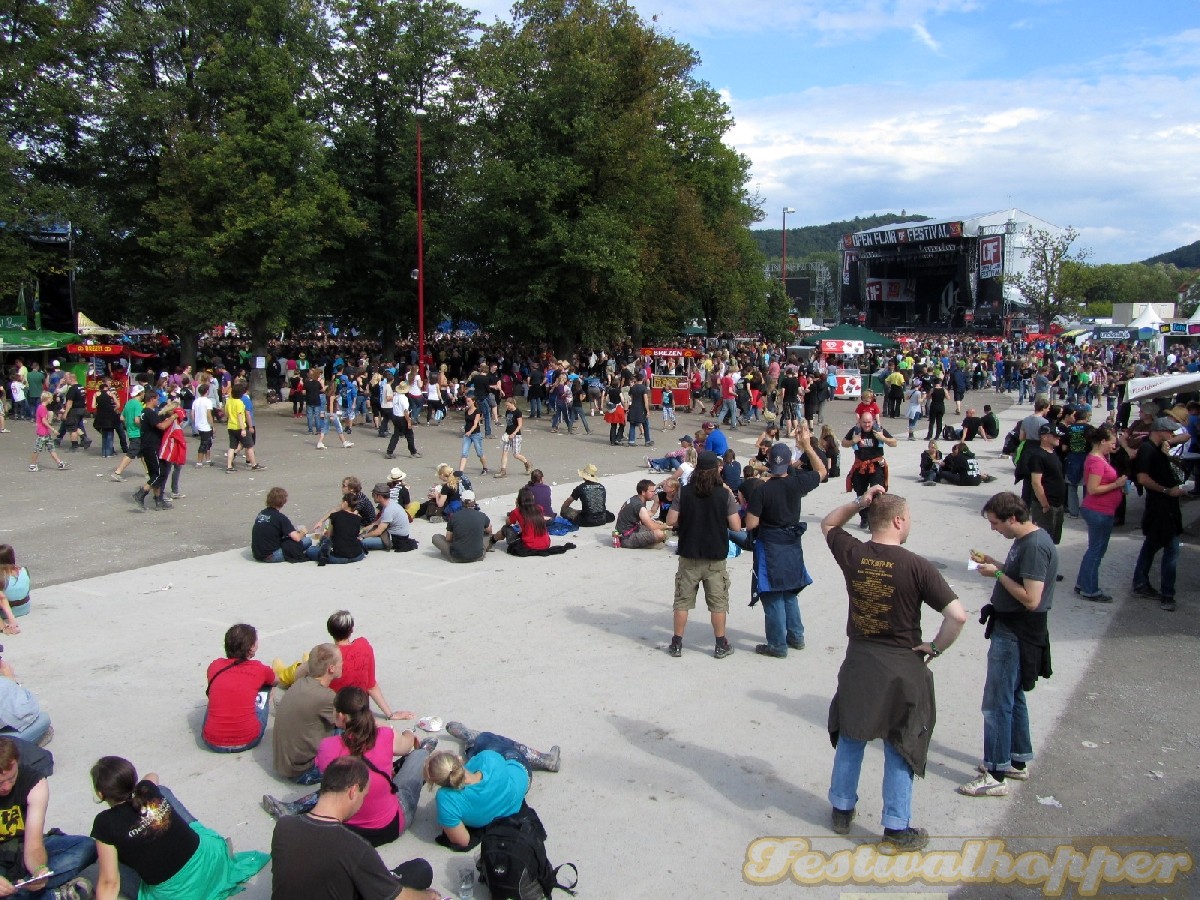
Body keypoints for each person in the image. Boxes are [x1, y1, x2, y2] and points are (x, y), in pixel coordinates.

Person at [820, 486, 967, 851]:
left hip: (860, 658)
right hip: (902, 663)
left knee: (852, 733)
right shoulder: (916, 565)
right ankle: (896, 826)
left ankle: (841, 808)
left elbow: (828, 523)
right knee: (900, 742)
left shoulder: (854, 553)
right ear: (899, 520)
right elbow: (957, 616)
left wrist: (859, 503)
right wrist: (935, 646)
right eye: (909, 518)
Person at [960, 492, 1056, 797]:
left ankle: (996, 772)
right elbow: (1020, 577)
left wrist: (998, 574)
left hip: (1016, 632)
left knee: (996, 702)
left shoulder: (1035, 546)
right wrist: (993, 564)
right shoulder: (1025, 542)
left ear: (1012, 518)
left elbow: (1031, 598)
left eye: (996, 522)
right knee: (1013, 696)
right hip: (1012, 628)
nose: (994, 528)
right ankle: (1016, 759)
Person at [262, 687, 432, 843]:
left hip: (347, 829)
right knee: (417, 757)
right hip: (389, 826)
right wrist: (410, 733)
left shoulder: (327, 747)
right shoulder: (385, 735)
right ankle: (426, 749)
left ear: (341, 717)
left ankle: (296, 807)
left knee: (337, 783)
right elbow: (405, 745)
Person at [90, 756, 268, 900]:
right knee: (162, 791)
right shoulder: (146, 790)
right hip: (211, 860)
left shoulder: (105, 824)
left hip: (178, 894)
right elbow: (153, 775)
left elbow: (110, 883)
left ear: (101, 794)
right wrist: (141, 789)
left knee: (102, 857)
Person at [270, 757, 440, 900]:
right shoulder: (354, 847)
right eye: (363, 796)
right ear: (352, 792)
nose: (361, 804)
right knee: (420, 870)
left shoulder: (284, 826)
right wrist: (428, 896)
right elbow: (396, 898)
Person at [744, 428, 825, 658]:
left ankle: (778, 645)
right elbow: (822, 470)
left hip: (770, 543)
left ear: (769, 462)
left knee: (772, 594)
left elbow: (750, 524)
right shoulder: (797, 484)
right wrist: (807, 446)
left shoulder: (762, 490)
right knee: (790, 591)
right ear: (789, 462)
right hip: (792, 542)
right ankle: (796, 637)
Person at [424, 722, 560, 850]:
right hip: (522, 775)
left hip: (509, 793)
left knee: (479, 752)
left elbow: (463, 841)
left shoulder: (445, 800)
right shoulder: (489, 759)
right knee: (488, 740)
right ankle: (544, 759)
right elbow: (488, 763)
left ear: (435, 782)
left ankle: (471, 742)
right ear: (458, 760)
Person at [664, 451, 741, 659]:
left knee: (682, 601)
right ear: (716, 470)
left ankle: (677, 643)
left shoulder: (684, 493)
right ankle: (720, 643)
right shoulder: (724, 494)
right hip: (715, 556)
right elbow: (736, 525)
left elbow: (671, 520)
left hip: (689, 553)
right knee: (718, 602)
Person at [0, 737, 96, 900]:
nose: (7, 787)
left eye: (11, 778)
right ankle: (53, 895)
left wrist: (39, 870)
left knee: (88, 847)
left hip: (22, 850)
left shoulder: (34, 783)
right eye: (0, 782)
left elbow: (34, 843)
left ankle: (20, 892)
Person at [1131, 416, 1186, 612]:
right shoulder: (1148, 450)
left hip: (1164, 507)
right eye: (1169, 431)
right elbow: (1143, 478)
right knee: (1171, 550)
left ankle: (1141, 583)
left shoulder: (1157, 449)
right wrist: (1166, 490)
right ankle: (1167, 594)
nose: (1172, 435)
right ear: (1159, 430)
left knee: (1151, 547)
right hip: (1160, 508)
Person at [273, 643, 341, 785]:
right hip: (303, 771)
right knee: (352, 734)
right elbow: (354, 722)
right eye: (341, 661)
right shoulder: (326, 697)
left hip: (284, 763)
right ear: (331, 668)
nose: (344, 664)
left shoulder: (300, 683)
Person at [202, 624, 275, 753]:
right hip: (248, 739)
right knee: (267, 687)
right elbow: (276, 680)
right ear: (251, 647)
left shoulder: (215, 665)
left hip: (212, 741)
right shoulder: (259, 668)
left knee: (219, 694)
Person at [1074, 426, 1127, 602]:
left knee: (1094, 549)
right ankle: (1090, 589)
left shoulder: (1097, 458)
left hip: (1101, 510)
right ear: (1103, 441)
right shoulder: (1097, 461)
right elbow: (1093, 489)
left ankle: (1083, 583)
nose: (1114, 446)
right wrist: (1117, 484)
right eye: (1112, 443)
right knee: (1096, 551)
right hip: (1099, 510)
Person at [842, 412, 897, 529]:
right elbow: (843, 443)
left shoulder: (879, 430)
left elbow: (894, 443)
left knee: (876, 493)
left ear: (873, 421)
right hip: (861, 466)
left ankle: (874, 521)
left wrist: (882, 438)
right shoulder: (855, 430)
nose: (867, 425)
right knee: (860, 493)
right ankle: (864, 518)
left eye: (869, 422)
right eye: (864, 422)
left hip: (876, 466)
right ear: (860, 422)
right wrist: (853, 441)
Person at [1022, 424, 1066, 544]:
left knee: (1053, 540)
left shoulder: (1053, 453)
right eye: (1055, 436)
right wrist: (1045, 504)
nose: (1058, 438)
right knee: (1043, 541)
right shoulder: (1038, 456)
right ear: (1045, 437)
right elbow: (1036, 482)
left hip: (1058, 504)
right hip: (1047, 505)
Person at [251, 487, 312, 562]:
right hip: (270, 555)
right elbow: (297, 538)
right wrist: (303, 532)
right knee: (307, 541)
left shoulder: (262, 513)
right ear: (284, 501)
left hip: (257, 553)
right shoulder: (281, 518)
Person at [305, 493, 367, 565]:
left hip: (339, 556)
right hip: (357, 555)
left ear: (345, 503)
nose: (340, 504)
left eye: (341, 502)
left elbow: (329, 534)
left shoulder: (335, 515)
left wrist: (324, 534)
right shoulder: (358, 518)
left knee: (311, 550)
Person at [432, 490, 490, 562]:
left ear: (461, 502)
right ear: (474, 501)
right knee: (487, 535)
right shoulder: (482, 515)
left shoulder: (454, 516)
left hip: (456, 557)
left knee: (436, 537)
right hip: (478, 556)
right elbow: (489, 530)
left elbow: (448, 538)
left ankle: (450, 551)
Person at [494, 488, 553, 555]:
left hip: (530, 546)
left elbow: (508, 523)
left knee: (506, 528)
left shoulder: (517, 511)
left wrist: (516, 507)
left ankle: (492, 540)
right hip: (545, 544)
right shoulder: (539, 508)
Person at [360, 483, 417, 553]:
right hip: (397, 535)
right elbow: (377, 523)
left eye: (373, 495)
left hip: (395, 539)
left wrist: (363, 536)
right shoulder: (389, 503)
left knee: (363, 542)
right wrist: (363, 529)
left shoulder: (389, 509)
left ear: (379, 496)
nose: (372, 497)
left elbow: (378, 531)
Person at [613, 480, 669, 548]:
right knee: (660, 534)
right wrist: (664, 526)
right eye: (651, 491)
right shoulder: (639, 505)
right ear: (643, 492)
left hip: (626, 531)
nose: (654, 493)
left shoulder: (636, 498)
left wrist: (656, 502)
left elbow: (648, 514)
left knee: (658, 527)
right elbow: (652, 526)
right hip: (627, 537)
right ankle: (648, 545)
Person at [28, 392, 67, 473]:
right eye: (50, 398)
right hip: (42, 432)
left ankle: (59, 463)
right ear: (47, 399)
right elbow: (44, 421)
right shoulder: (43, 408)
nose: (52, 400)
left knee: (51, 448)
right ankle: (32, 465)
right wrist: (53, 429)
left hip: (45, 432)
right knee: (37, 449)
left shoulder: (42, 407)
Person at [496, 397, 531, 478]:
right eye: (506, 406)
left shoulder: (518, 412)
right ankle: (503, 470)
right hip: (508, 434)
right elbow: (509, 424)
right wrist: (506, 433)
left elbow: (520, 425)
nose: (507, 407)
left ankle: (527, 463)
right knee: (504, 452)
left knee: (516, 455)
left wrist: (514, 433)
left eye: (508, 405)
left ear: (512, 404)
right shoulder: (508, 411)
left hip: (516, 435)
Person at [0, 546, 30, 631]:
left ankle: (2, 627)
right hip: (24, 608)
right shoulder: (24, 570)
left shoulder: (1, 576)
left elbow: (2, 599)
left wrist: (11, 619)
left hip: (6, 613)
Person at [457, 395, 487, 474]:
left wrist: (470, 431)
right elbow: (467, 422)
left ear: (473, 401)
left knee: (479, 453)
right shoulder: (466, 411)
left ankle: (485, 467)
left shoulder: (477, 411)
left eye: (469, 401)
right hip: (467, 435)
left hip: (475, 434)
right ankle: (460, 472)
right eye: (467, 401)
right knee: (464, 453)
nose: (467, 403)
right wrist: (463, 428)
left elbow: (475, 424)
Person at [191, 382, 214, 467]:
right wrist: (212, 425)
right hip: (205, 425)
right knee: (204, 443)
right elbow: (209, 415)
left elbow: (192, 414)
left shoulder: (196, 401)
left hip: (198, 424)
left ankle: (208, 460)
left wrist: (195, 423)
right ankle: (199, 462)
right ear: (207, 391)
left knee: (208, 442)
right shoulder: (208, 401)